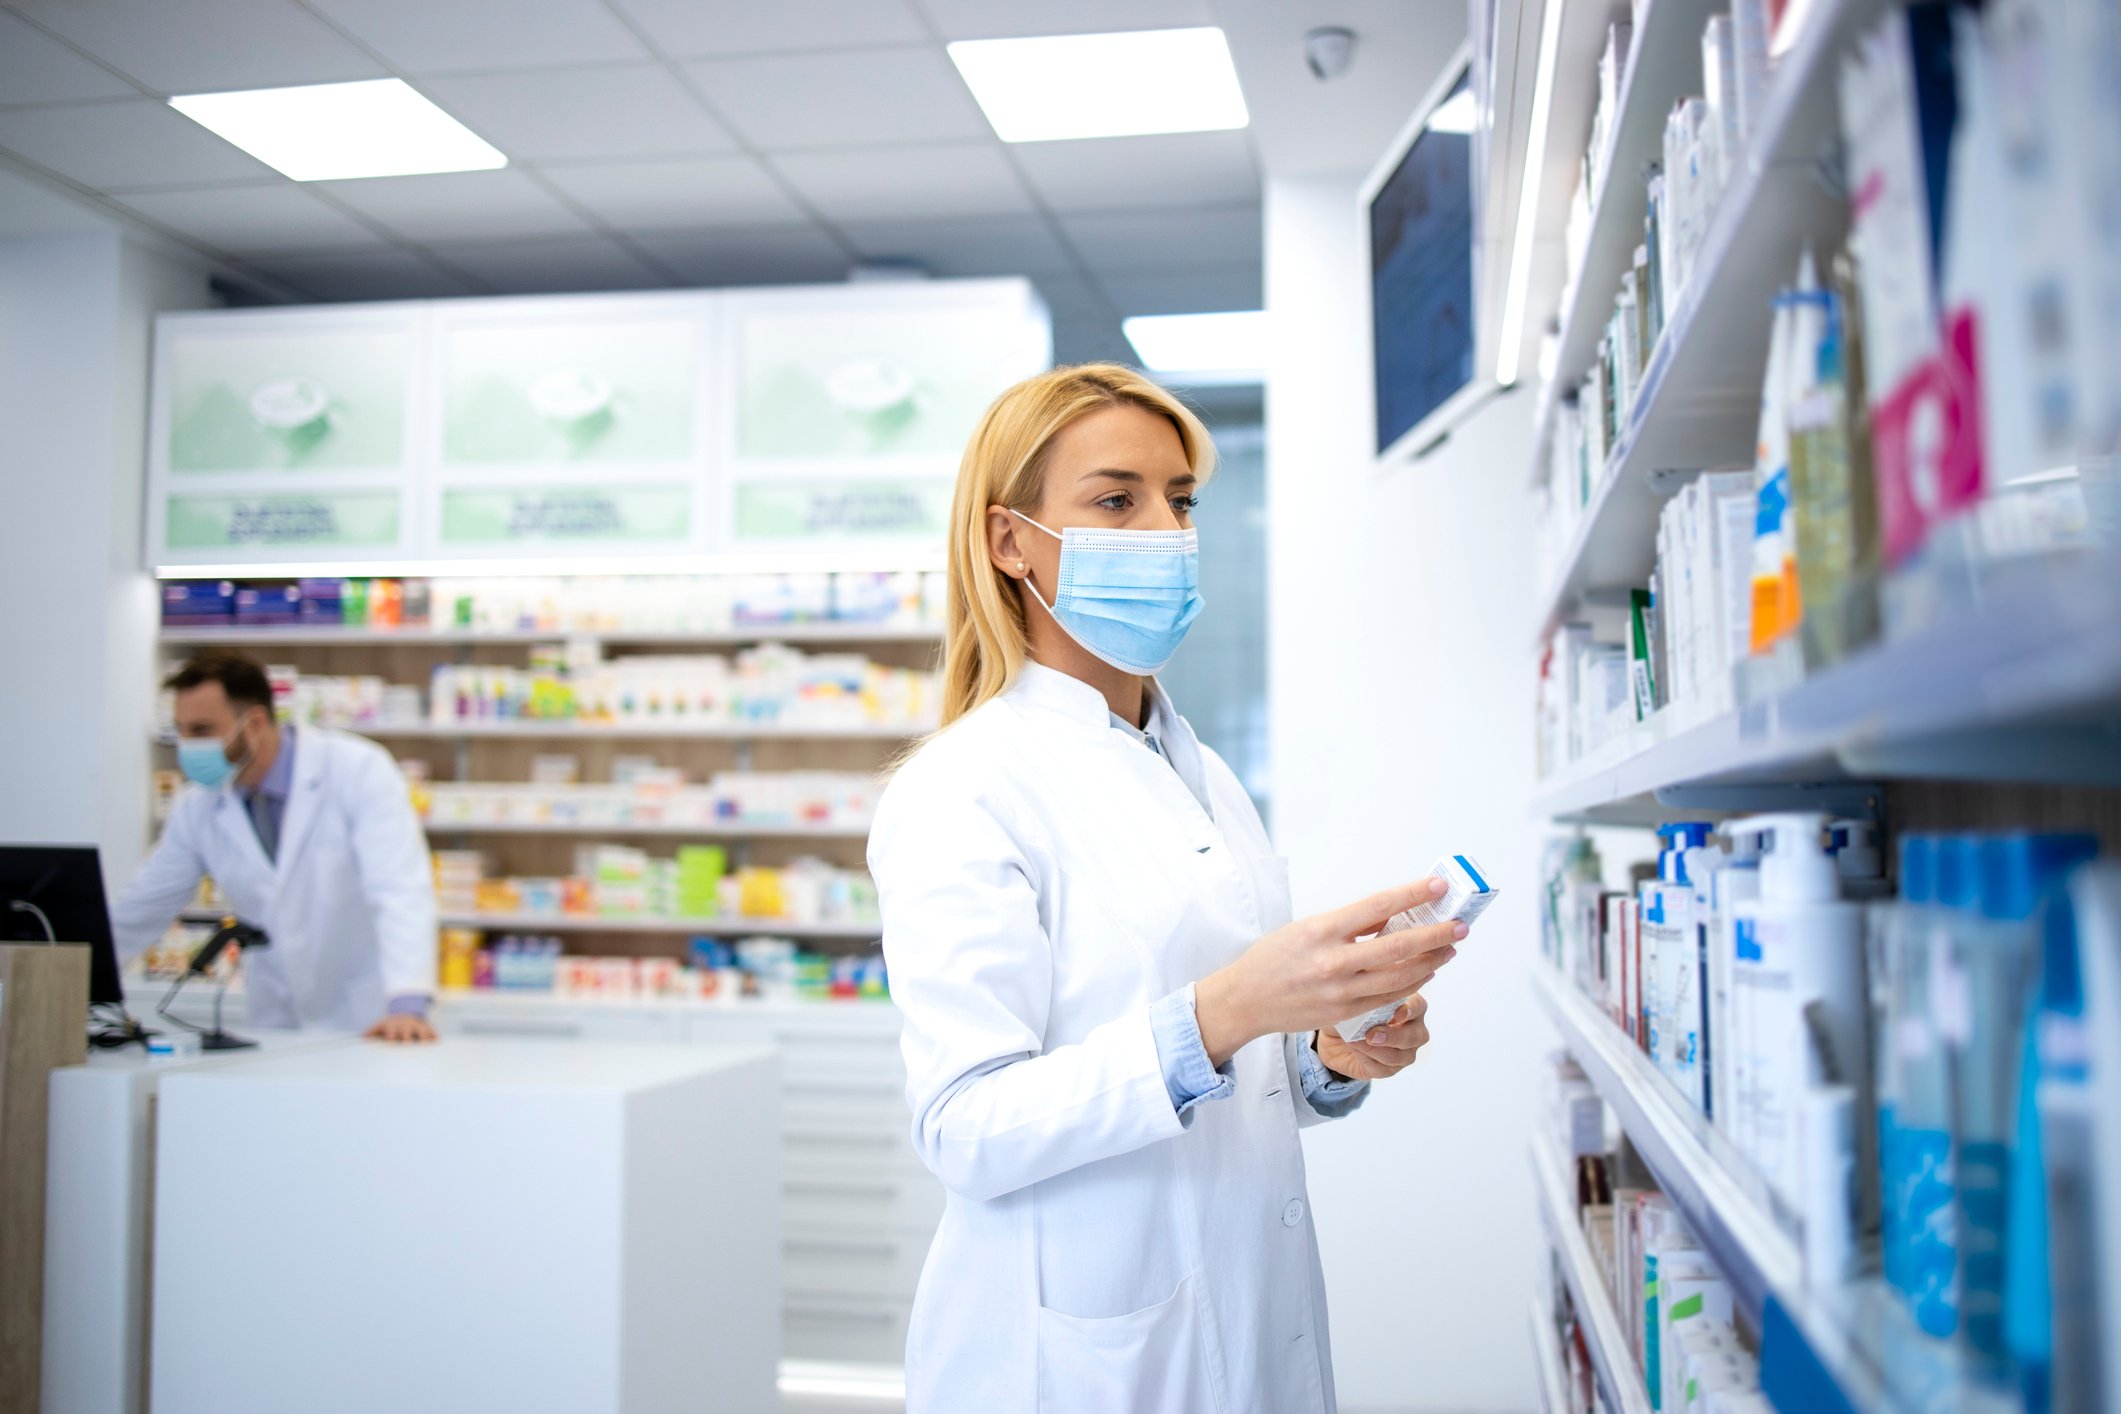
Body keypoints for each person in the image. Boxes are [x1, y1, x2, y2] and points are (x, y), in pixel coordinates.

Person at [867, 364, 1460, 1412]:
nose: (1164, 529)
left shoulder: (1195, 767)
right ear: (1010, 542)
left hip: (1242, 1309)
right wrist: (1231, 1009)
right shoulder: (963, 787)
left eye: (1179, 499)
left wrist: (1325, 1052)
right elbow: (967, 1126)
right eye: (1115, 499)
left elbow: (1222, 1082)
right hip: (1075, 1356)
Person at [115, 650, 438, 1041]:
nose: (187, 746)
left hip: (368, 1018)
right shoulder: (198, 805)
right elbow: (145, 904)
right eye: (181, 730)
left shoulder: (358, 769)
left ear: (254, 722)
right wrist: (80, 972)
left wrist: (406, 1003)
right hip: (275, 1018)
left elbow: (399, 888)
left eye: (201, 730)